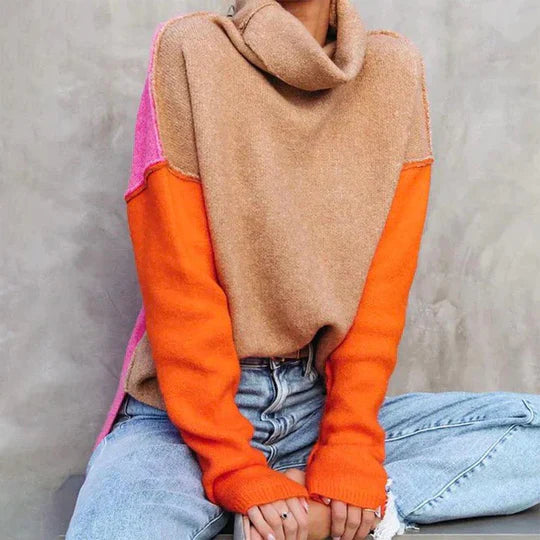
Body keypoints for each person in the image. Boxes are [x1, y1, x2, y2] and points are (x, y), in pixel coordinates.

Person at [66, 0, 540, 539]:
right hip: (182, 421)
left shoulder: (393, 70)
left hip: (316, 407)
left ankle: (313, 514)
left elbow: (381, 295)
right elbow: (179, 287)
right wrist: (233, 465)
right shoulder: (191, 50)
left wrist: (349, 447)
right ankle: (305, 509)